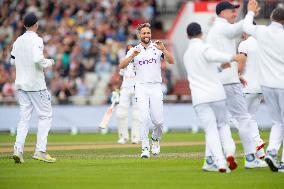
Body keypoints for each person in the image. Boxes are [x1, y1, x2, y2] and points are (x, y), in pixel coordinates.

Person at [205, 0, 265, 169]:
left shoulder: (214, 31)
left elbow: (211, 56)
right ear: (223, 12)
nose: (234, 13)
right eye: (232, 11)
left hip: (220, 82)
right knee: (244, 119)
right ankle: (251, 158)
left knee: (218, 123)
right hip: (229, 84)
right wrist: (250, 13)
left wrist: (231, 73)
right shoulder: (222, 27)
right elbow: (240, 28)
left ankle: (209, 160)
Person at [183, 22, 246, 172]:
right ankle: (230, 153)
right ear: (201, 34)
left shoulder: (186, 54)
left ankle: (220, 163)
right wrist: (233, 57)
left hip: (199, 98)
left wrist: (220, 65)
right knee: (223, 126)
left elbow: (206, 65)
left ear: (187, 36)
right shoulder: (204, 47)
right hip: (216, 94)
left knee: (210, 130)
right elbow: (213, 56)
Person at [119, 23, 174, 158]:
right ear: (139, 35)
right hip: (141, 87)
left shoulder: (157, 47)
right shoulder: (134, 49)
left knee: (159, 121)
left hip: (156, 87)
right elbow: (121, 66)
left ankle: (155, 139)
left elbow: (171, 61)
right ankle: (144, 148)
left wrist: (164, 49)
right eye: (144, 33)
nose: (146, 35)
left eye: (148, 33)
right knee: (143, 119)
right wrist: (132, 56)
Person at [243, 0, 284, 172]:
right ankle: (278, 159)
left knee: (278, 122)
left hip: (267, 85)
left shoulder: (261, 31)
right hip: (282, 84)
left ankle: (272, 152)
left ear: (272, 18)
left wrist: (251, 12)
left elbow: (246, 26)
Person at [10, 13, 56, 163]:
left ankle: (18, 149)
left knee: (24, 118)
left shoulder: (18, 41)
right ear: (36, 24)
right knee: (45, 116)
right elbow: (37, 59)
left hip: (22, 85)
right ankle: (40, 151)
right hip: (36, 85)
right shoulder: (37, 39)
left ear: (24, 25)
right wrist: (49, 62)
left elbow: (12, 61)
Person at [115, 44, 140, 144]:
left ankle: (136, 137)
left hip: (137, 89)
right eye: (128, 50)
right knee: (120, 113)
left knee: (137, 114)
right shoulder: (124, 61)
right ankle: (123, 137)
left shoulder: (140, 61)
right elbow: (121, 77)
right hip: (125, 89)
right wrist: (116, 91)